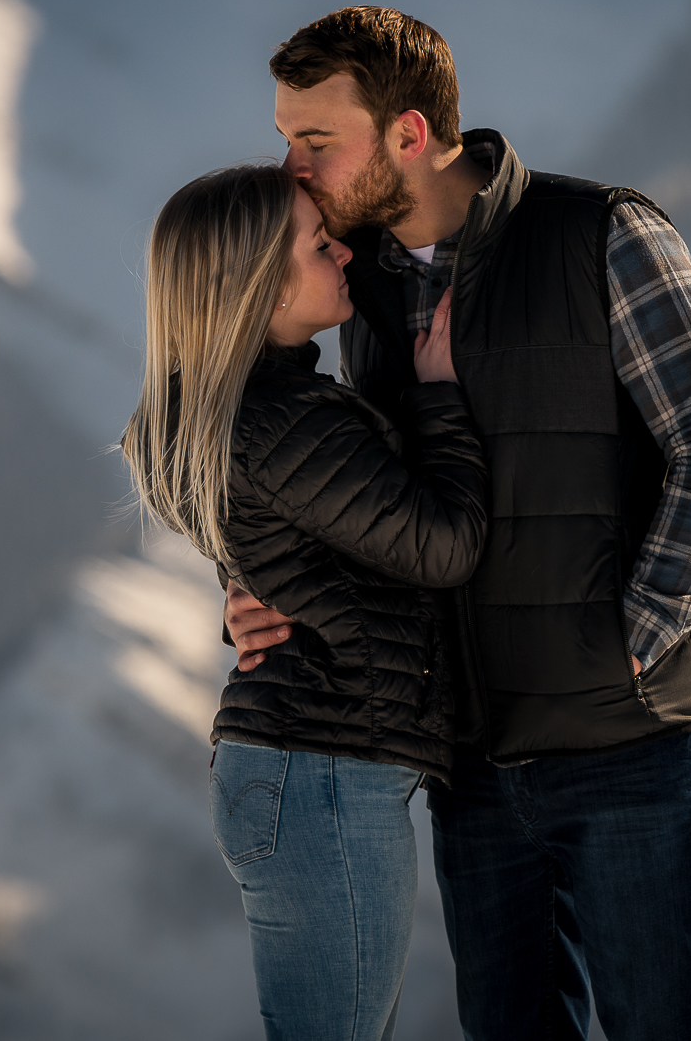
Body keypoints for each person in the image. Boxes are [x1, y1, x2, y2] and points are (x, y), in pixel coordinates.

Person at [225, 7, 691, 1040]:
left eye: (314, 141)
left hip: (632, 752)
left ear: (408, 135)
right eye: (287, 138)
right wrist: (256, 588)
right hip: (471, 765)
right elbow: (360, 496)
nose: (292, 169)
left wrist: (629, 644)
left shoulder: (599, 235)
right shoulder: (362, 289)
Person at [121, 163, 488, 1041]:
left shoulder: (245, 416)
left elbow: (280, 537)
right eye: (319, 244)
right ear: (257, 282)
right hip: (323, 775)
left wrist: (242, 595)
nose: (343, 253)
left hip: (304, 770)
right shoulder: (285, 419)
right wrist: (441, 398)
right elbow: (445, 544)